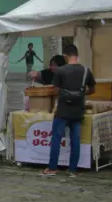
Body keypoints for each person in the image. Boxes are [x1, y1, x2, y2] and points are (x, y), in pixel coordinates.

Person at [41, 44, 96, 178]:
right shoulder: (86, 70)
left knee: (56, 138)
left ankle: (52, 168)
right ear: (77, 55)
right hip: (78, 110)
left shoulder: (61, 71)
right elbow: (93, 90)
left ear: (65, 56)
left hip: (63, 110)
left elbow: (56, 90)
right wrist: (81, 93)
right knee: (75, 140)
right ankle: (73, 169)